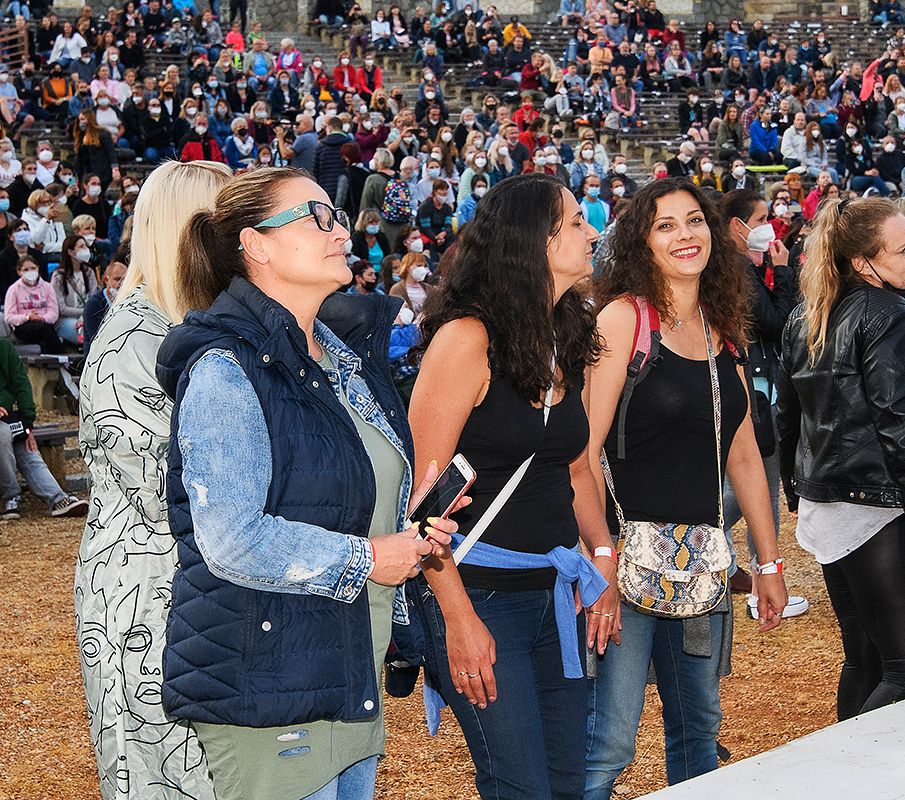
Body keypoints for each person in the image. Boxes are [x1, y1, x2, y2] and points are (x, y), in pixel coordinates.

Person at [154, 166, 457, 800]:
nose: (337, 230)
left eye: (336, 216)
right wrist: (368, 557)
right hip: (268, 679)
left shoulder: (341, 358)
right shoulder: (224, 367)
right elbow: (233, 537)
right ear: (255, 246)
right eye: (314, 217)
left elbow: (338, 498)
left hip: (348, 666)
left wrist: (410, 525)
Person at [406, 174, 616, 799]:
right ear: (535, 241)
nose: (592, 232)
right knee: (519, 787)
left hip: (556, 595)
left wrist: (601, 560)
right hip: (480, 596)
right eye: (577, 222)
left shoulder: (563, 336)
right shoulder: (466, 340)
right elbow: (423, 500)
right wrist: (458, 618)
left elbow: (575, 466)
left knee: (566, 784)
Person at [585, 179, 787, 797]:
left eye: (694, 220)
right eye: (665, 224)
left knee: (699, 730)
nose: (684, 234)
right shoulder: (623, 319)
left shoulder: (723, 329)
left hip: (700, 567)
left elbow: (746, 456)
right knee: (611, 743)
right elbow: (583, 453)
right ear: (641, 241)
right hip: (626, 562)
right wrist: (601, 559)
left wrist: (769, 560)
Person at [776, 197, 905, 722]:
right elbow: (901, 431)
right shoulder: (888, 316)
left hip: (830, 504)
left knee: (864, 660)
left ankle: (847, 775)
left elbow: (787, 416)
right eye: (903, 248)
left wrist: (798, 490)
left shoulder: (808, 313)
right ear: (864, 263)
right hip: (878, 507)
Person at [75, 160, 233, 800]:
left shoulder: (180, 327)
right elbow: (176, 486)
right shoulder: (134, 341)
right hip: (151, 596)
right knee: (165, 777)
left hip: (185, 587)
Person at [718, 188, 807, 613]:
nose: (767, 226)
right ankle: (761, 586)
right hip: (757, 387)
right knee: (760, 486)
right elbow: (778, 323)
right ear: (737, 226)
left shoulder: (732, 267)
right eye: (759, 218)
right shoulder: (736, 270)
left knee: (747, 486)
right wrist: (783, 271)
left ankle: (734, 559)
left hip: (756, 383)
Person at [0, 332, 88, 520]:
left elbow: (21, 384)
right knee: (3, 434)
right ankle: (11, 496)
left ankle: (58, 499)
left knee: (25, 443)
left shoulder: (3, 347)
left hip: (7, 418)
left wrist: (27, 423)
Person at [5, 254, 62, 353]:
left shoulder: (47, 287)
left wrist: (42, 318)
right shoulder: (13, 289)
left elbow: (53, 313)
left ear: (38, 268)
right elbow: (9, 317)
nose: (30, 272)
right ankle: (60, 357)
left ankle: (50, 359)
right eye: (26, 270)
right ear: (19, 272)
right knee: (45, 330)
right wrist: (28, 317)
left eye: (33, 268)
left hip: (44, 323)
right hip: (23, 326)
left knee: (45, 329)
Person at [50, 234, 98, 347]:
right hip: (66, 319)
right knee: (85, 332)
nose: (85, 249)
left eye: (85, 246)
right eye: (81, 247)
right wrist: (84, 312)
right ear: (70, 252)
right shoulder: (58, 276)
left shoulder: (89, 272)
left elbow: (93, 296)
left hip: (86, 316)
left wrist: (86, 314)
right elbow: (62, 308)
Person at [82, 258, 126, 355]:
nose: (121, 284)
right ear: (107, 280)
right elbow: (98, 339)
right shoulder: (93, 305)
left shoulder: (128, 302)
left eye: (125, 280)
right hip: (97, 359)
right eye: (117, 279)